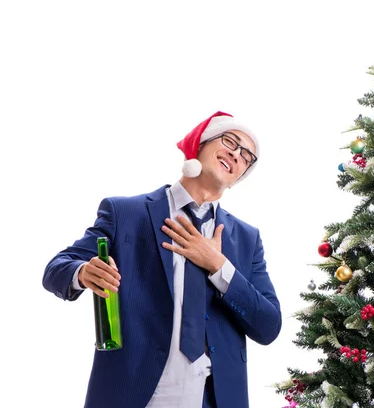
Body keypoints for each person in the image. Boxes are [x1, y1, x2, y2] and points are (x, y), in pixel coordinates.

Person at [43, 111, 282, 408]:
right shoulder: (125, 213)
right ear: (200, 146)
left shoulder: (247, 239)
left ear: (238, 177)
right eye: (230, 141)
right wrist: (82, 272)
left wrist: (219, 266)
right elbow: (56, 269)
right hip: (133, 395)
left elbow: (269, 326)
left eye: (246, 156)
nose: (236, 153)